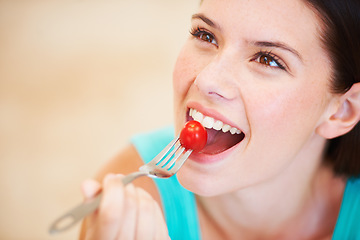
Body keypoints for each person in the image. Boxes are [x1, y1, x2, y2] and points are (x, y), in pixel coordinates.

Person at [79, 0, 360, 239]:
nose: (206, 80)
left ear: (342, 110)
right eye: (205, 35)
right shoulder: (128, 205)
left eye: (267, 59)